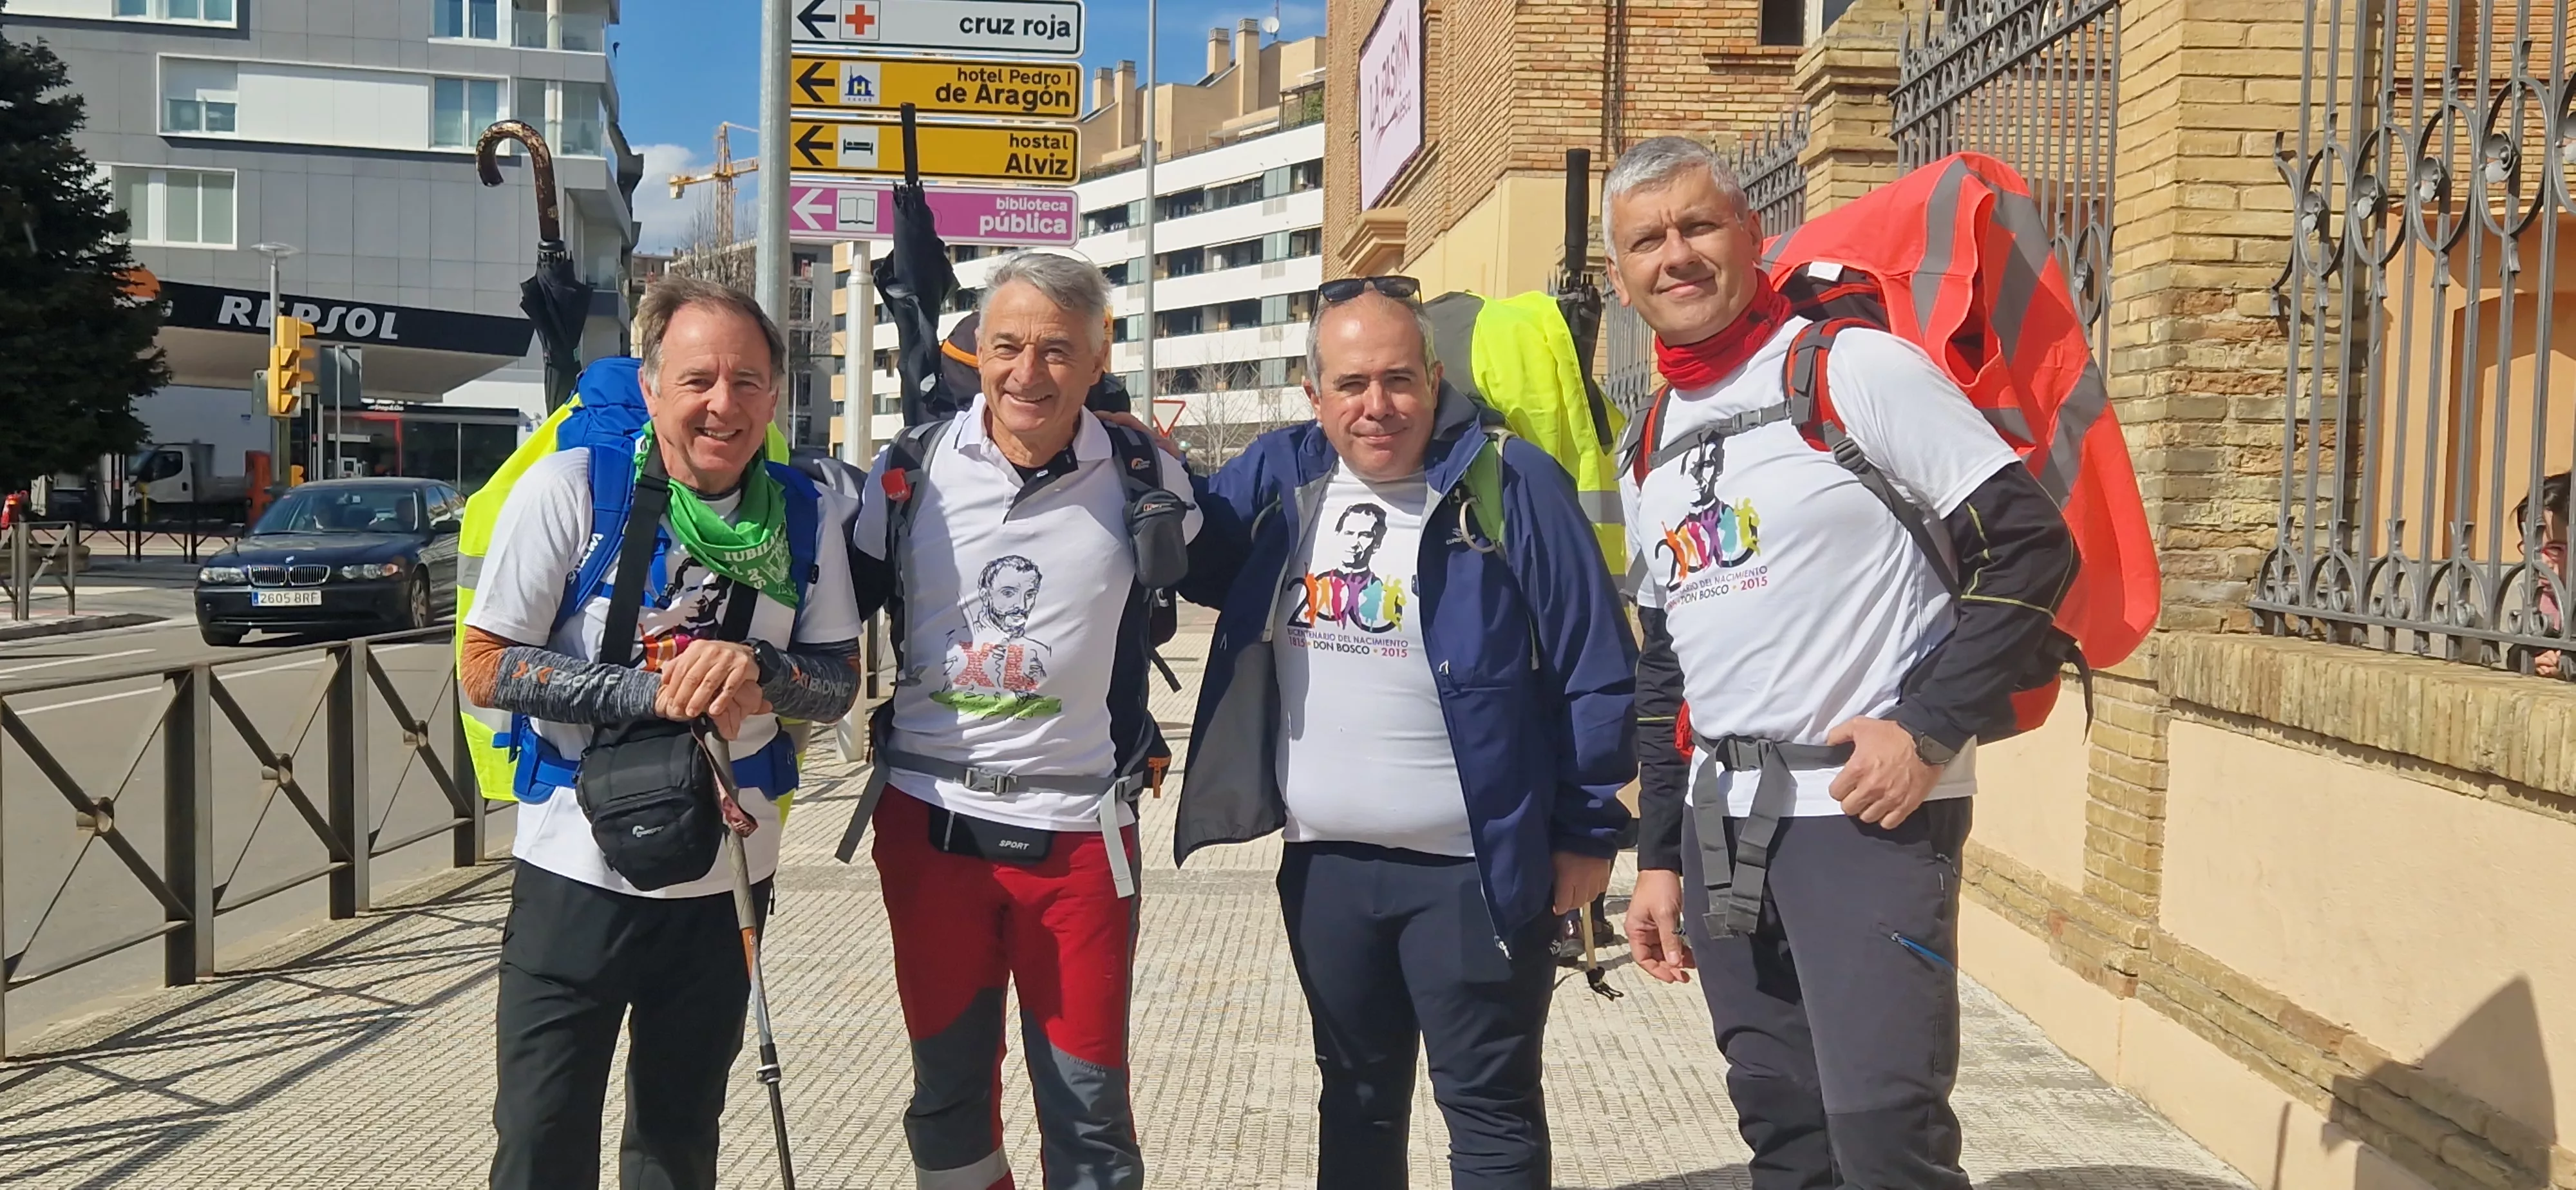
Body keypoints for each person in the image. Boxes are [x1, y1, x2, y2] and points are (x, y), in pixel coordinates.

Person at [1606, 137, 2077, 1189]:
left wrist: (1928, 729)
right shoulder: (1648, 442)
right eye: (1648, 241)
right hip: (1723, 824)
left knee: (1883, 1134)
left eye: (1698, 226)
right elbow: (1665, 671)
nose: (1676, 255)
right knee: (1782, 1127)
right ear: (1621, 275)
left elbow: (2032, 545)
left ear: (1751, 234)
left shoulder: (1852, 368)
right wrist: (1660, 857)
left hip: (1864, 816)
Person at [1176, 277, 1637, 1189]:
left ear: (1433, 379)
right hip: (1328, 870)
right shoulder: (1281, 474)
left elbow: (1594, 664)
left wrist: (1589, 831)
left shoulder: (1511, 481)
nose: (1376, 405)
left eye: (1398, 379)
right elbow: (1184, 548)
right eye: (1351, 384)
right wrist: (1114, 446)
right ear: (1315, 394)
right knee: (1355, 1100)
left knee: (1491, 1110)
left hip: (1473, 874)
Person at [459, 276, 866, 1189]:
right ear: (651, 388)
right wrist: (658, 693)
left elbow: (838, 682)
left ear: (774, 395)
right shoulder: (573, 489)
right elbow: (486, 664)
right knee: (540, 1136)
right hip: (575, 864)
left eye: (748, 381)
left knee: (680, 1139)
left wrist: (761, 671)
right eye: (697, 380)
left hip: (729, 875)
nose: (724, 404)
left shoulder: (802, 514)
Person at [846, 250, 1198, 1190]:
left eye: (1055, 350)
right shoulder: (912, 468)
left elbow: (1252, 567)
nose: (1026, 373)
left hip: (1080, 835)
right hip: (930, 823)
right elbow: (825, 610)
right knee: (948, 1098)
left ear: (1097, 358)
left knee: (1089, 1112)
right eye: (1006, 347)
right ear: (979, 352)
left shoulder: (1143, 467)